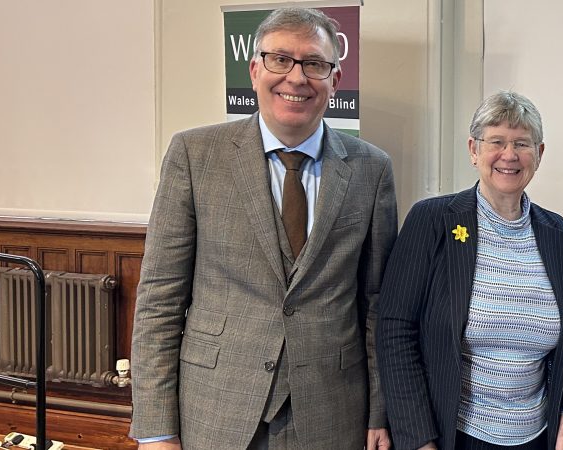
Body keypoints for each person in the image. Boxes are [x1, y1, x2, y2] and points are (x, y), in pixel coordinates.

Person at [129, 7, 395, 449]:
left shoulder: (372, 168)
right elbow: (160, 298)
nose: (296, 77)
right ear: (254, 70)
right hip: (217, 409)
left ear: (335, 79)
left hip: (332, 414)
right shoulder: (195, 155)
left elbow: (376, 304)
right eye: (279, 60)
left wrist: (381, 412)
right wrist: (157, 429)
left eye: (314, 64)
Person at [376, 91, 563, 450]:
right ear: (474, 150)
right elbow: (395, 330)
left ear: (539, 154)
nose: (509, 155)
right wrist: (418, 438)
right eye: (496, 142)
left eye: (522, 143)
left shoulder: (557, 233)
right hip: (453, 435)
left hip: (539, 436)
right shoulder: (433, 220)